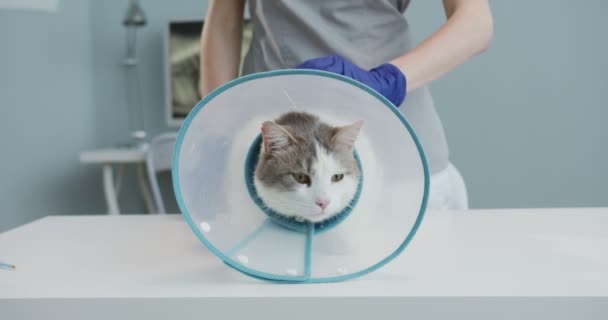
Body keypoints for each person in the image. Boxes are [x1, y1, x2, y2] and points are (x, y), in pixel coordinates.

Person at [199, 0, 493, 211]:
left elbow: (476, 22)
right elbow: (225, 20)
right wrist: (218, 127)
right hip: (279, 166)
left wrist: (388, 80)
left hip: (397, 155)